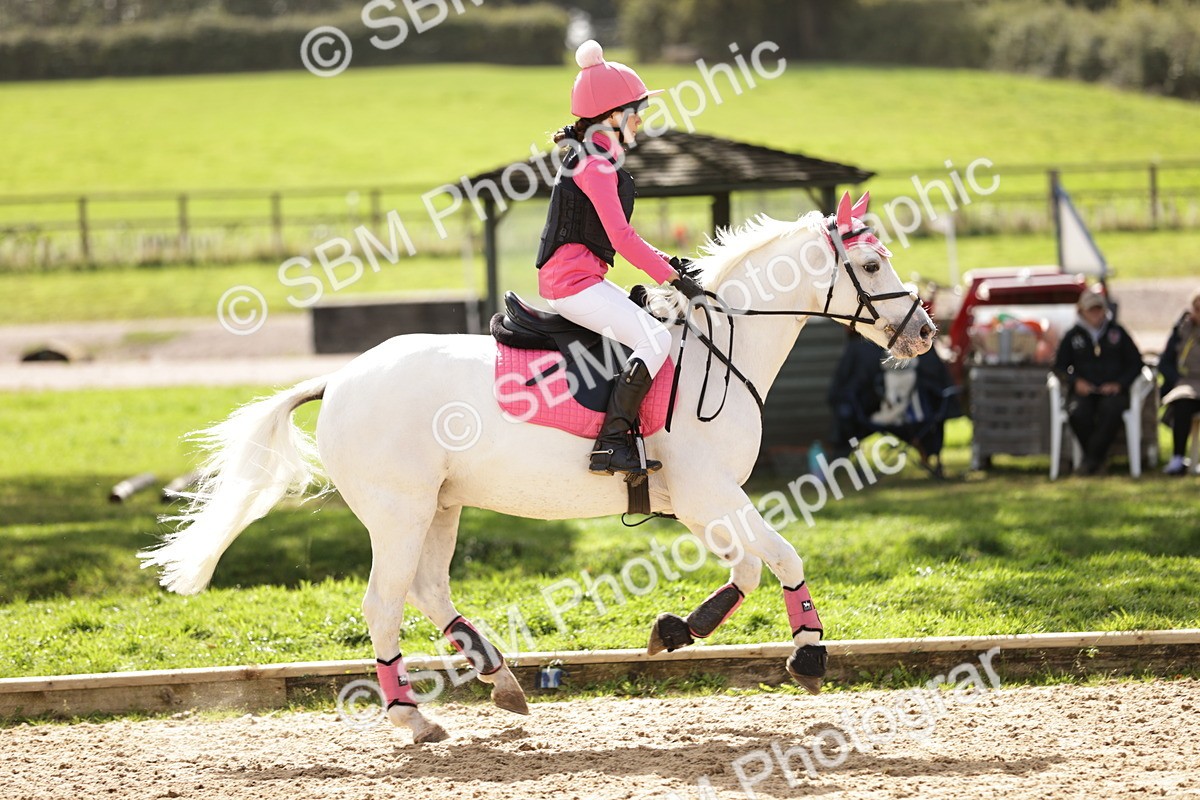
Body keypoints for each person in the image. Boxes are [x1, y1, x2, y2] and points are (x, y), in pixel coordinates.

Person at [535, 40, 703, 479]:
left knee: (650, 328)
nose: (642, 120)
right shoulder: (595, 166)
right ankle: (610, 444)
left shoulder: (596, 158)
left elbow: (623, 238)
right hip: (572, 285)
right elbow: (622, 239)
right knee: (656, 341)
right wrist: (672, 278)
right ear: (612, 117)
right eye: (636, 111)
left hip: (581, 278)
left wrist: (671, 264)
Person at [1053, 285, 1143, 475]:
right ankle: (1097, 461)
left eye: (1099, 308)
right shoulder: (1072, 336)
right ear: (1081, 311)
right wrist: (1075, 381)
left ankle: (1089, 462)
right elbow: (1059, 367)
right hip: (1085, 390)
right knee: (1077, 413)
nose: (1095, 313)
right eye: (1091, 309)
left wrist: (1119, 384)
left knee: (1111, 411)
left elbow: (1136, 363)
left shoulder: (1117, 333)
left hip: (1112, 390)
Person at [1159, 288, 1200, 475]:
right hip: (1185, 383)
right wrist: (1177, 381)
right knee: (1182, 403)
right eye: (1197, 308)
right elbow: (1165, 362)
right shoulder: (1181, 329)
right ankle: (1177, 459)